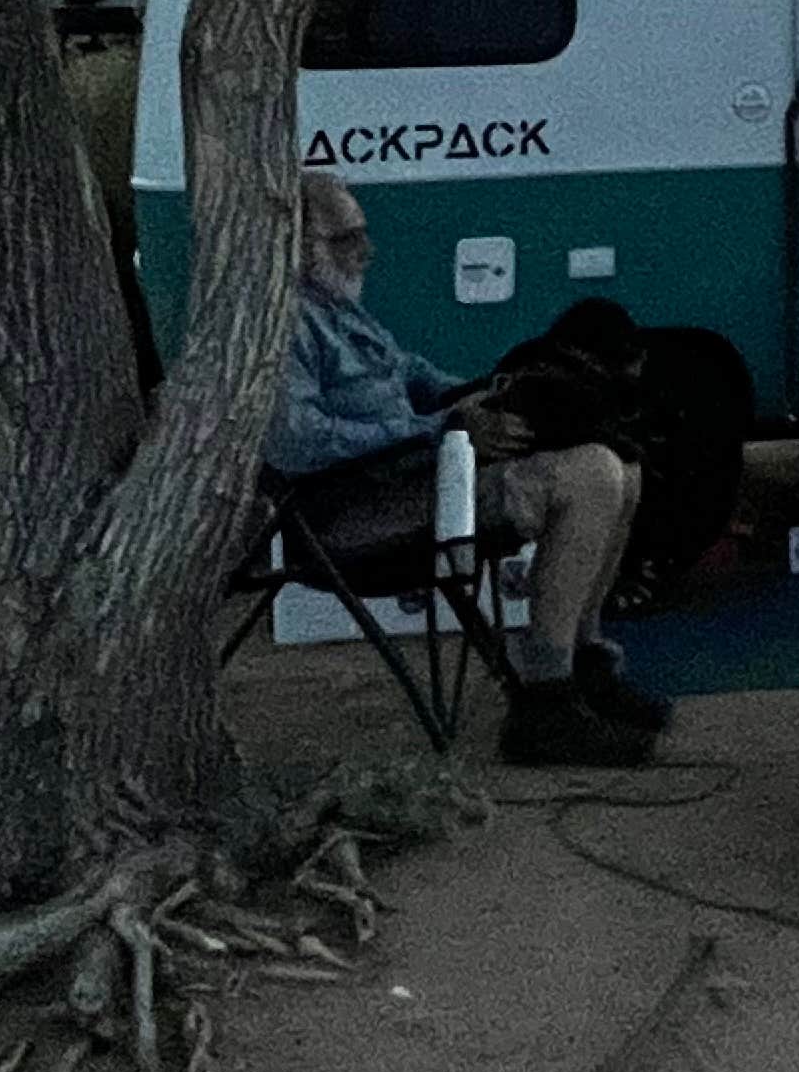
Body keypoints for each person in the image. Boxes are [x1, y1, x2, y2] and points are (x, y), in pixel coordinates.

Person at [264, 166, 671, 765]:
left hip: (418, 482)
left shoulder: (340, 310)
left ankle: (582, 665)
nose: (367, 252)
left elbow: (418, 379)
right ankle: (546, 704)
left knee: (623, 464)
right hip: (358, 515)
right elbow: (295, 445)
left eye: (362, 234)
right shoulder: (282, 323)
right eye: (347, 239)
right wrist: (445, 427)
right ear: (291, 244)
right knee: (592, 476)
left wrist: (493, 396)